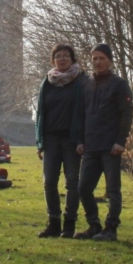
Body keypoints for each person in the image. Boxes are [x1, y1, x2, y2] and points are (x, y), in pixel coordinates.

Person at [75, 44, 133, 242]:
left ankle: (111, 228)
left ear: (109, 60)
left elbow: (126, 114)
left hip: (111, 147)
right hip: (91, 146)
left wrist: (120, 141)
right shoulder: (87, 85)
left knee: (112, 189)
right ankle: (94, 225)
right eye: (94, 58)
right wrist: (80, 140)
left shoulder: (119, 84)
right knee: (83, 188)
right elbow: (82, 115)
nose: (98, 62)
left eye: (101, 58)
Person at [34, 44, 86, 239]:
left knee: (72, 182)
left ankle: (69, 223)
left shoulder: (81, 82)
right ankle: (53, 223)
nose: (62, 59)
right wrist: (39, 142)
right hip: (50, 139)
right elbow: (40, 113)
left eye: (66, 56)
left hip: (72, 140)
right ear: (53, 60)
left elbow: (85, 113)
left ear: (73, 59)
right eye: (58, 56)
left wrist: (82, 139)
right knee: (49, 182)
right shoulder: (47, 83)